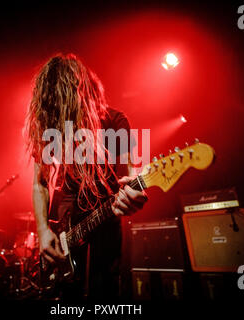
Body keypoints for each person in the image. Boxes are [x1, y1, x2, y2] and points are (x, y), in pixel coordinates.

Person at [25, 54, 148, 300]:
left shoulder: (115, 121)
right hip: (63, 220)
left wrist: (134, 195)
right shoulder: (52, 128)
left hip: (105, 218)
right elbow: (39, 183)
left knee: (104, 290)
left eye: (63, 104)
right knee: (66, 295)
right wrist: (43, 231)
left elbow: (130, 178)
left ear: (79, 93)